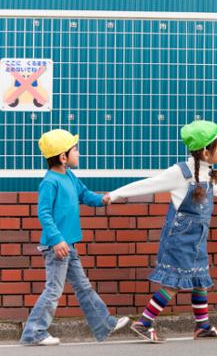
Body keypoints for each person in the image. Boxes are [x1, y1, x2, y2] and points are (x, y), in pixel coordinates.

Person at [108, 120, 217, 343]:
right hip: (180, 240)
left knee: (200, 280)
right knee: (174, 284)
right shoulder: (180, 173)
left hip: (197, 241)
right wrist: (115, 194)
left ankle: (202, 326)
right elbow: (148, 185)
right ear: (206, 151)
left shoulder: (210, 176)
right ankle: (144, 323)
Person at [20, 129, 129, 346]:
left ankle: (104, 324)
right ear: (62, 157)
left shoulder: (69, 176)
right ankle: (34, 332)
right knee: (53, 289)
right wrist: (57, 239)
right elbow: (44, 213)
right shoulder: (50, 182)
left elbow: (85, 195)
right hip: (57, 246)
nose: (78, 153)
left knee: (83, 287)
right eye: (75, 149)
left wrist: (103, 200)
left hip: (68, 245)